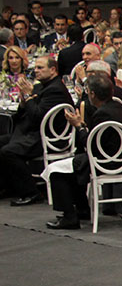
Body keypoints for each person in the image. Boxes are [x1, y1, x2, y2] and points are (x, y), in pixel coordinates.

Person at [45, 74, 122, 230]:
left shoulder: (102, 113)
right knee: (73, 164)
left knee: (56, 169)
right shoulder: (121, 108)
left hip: (105, 163)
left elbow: (90, 145)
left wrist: (79, 126)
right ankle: (82, 209)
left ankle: (69, 216)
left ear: (92, 93)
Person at [1, 54, 72, 205]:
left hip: (48, 137)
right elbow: (23, 113)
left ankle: (31, 192)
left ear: (53, 70)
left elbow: (37, 116)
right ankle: (8, 186)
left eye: (40, 68)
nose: (36, 71)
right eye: (35, 68)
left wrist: (28, 95)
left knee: (8, 151)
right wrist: (23, 100)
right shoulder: (40, 86)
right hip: (32, 132)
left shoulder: (56, 89)